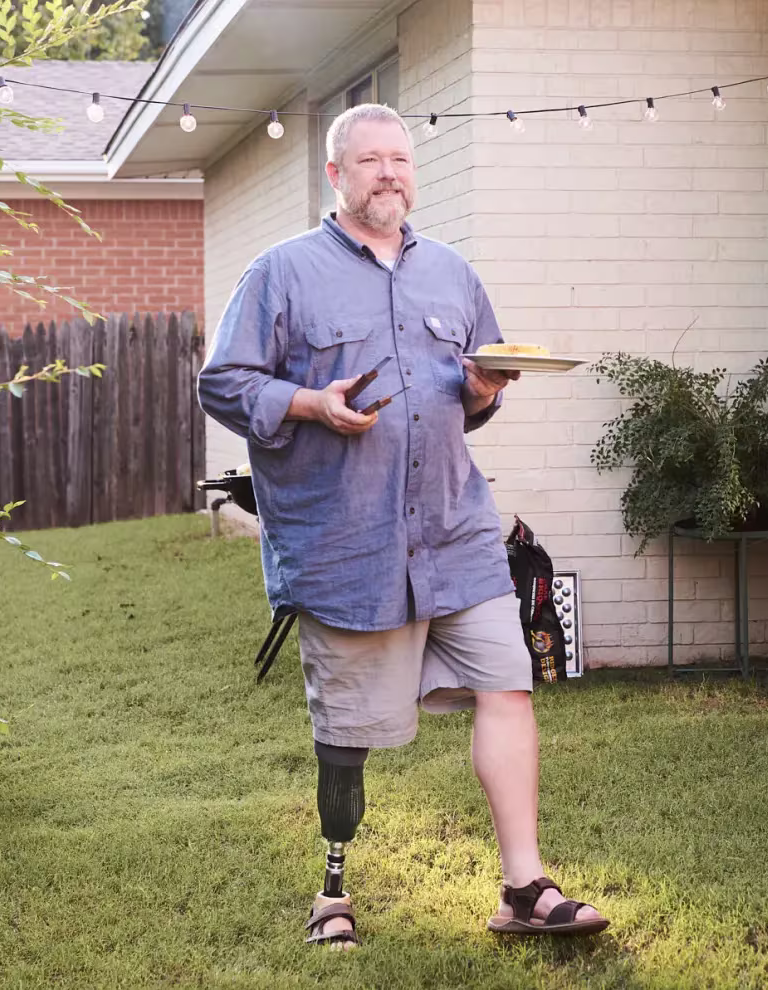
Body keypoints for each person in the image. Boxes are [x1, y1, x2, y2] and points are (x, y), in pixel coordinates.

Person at [197, 104, 609, 949]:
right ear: (336, 175)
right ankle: (333, 890)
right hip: (349, 542)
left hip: (457, 533)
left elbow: (469, 393)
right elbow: (224, 382)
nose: (390, 173)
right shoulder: (282, 273)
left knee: (509, 685)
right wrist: (307, 403)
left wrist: (487, 392)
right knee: (347, 732)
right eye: (372, 160)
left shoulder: (453, 275)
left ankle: (524, 887)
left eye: (401, 160)